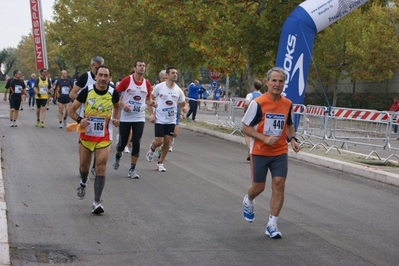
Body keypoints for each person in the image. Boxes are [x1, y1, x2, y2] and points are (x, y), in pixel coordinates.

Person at [241, 67, 300, 239]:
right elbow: (245, 127)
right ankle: (249, 199)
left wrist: (294, 139)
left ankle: (272, 224)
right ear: (267, 82)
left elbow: (289, 124)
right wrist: (264, 139)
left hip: (280, 151)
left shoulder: (287, 104)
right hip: (260, 151)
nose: (277, 84)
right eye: (274, 80)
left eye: (280, 81)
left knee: (279, 184)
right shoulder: (258, 103)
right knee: (259, 187)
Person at [68, 65, 120, 214]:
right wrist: (79, 119)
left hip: (104, 137)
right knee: (84, 167)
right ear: (95, 76)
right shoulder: (87, 91)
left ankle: (97, 202)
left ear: (110, 78)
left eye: (106, 76)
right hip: (86, 136)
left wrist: (115, 119)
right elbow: (71, 110)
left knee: (101, 166)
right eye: (101, 75)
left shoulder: (113, 92)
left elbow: (117, 107)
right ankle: (83, 182)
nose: (103, 78)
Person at [112, 60, 154, 179]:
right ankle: (118, 155)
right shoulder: (127, 80)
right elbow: (115, 95)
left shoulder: (147, 83)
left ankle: (132, 169)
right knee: (123, 142)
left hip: (139, 117)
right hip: (126, 117)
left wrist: (153, 104)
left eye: (144, 66)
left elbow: (148, 100)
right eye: (140, 66)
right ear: (134, 68)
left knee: (136, 142)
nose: (142, 68)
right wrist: (122, 105)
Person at [146, 66, 187, 172]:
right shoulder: (159, 87)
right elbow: (149, 100)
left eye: (176, 73)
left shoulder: (178, 90)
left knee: (168, 141)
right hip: (159, 118)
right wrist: (151, 114)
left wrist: (185, 108)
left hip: (171, 119)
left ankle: (160, 163)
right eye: (173, 73)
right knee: (159, 141)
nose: (175, 75)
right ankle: (152, 148)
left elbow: (183, 103)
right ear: (168, 75)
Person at [70, 56, 104, 176]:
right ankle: (84, 168)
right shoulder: (85, 77)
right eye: (96, 67)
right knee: (86, 143)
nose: (98, 69)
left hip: (101, 117)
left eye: (100, 67)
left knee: (99, 143)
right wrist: (83, 101)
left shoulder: (105, 78)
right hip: (86, 117)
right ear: (92, 66)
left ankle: (95, 167)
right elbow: (73, 93)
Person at [244, 79, 263, 161]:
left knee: (247, 134)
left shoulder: (250, 95)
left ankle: (251, 150)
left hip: (251, 117)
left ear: (253, 86)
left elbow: (246, 103)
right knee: (256, 134)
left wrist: (246, 111)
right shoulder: (263, 95)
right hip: (260, 117)